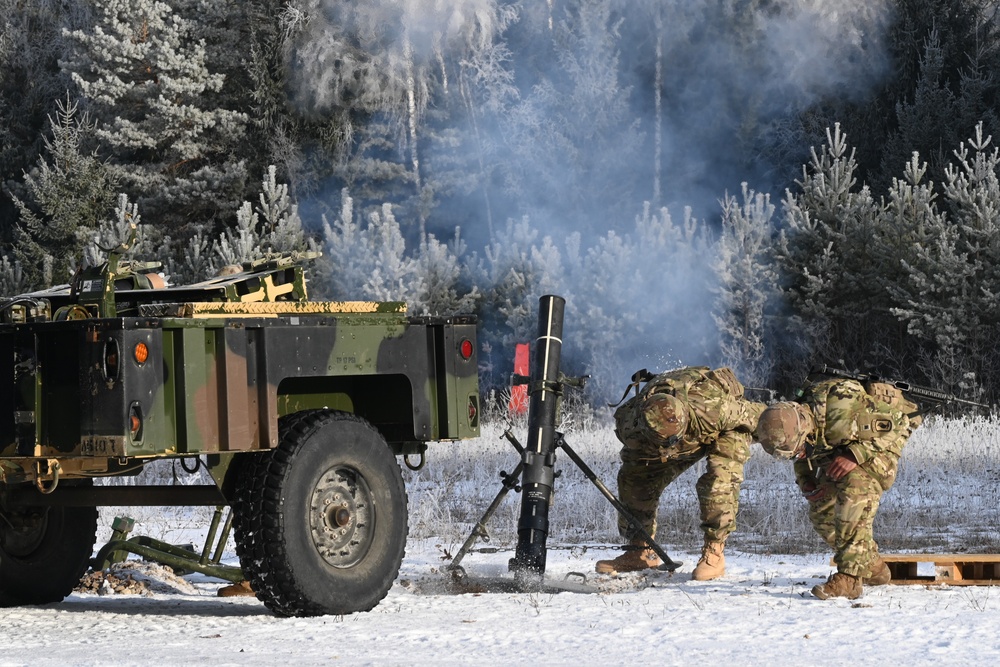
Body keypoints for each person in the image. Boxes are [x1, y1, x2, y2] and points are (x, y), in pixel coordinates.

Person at [756, 375, 922, 600]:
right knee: (822, 509)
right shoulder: (796, 420)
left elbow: (899, 423)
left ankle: (850, 579)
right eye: (794, 453)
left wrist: (855, 456)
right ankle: (872, 567)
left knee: (854, 490)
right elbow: (803, 453)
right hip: (843, 446)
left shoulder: (841, 413)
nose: (799, 455)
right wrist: (805, 478)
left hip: (880, 442)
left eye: (799, 449)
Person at [595, 366, 766, 580]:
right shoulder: (631, 424)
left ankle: (714, 553)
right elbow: (634, 460)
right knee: (634, 479)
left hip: (721, 430)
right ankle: (640, 551)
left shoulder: (713, 407)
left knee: (718, 482)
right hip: (667, 442)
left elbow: (759, 418)